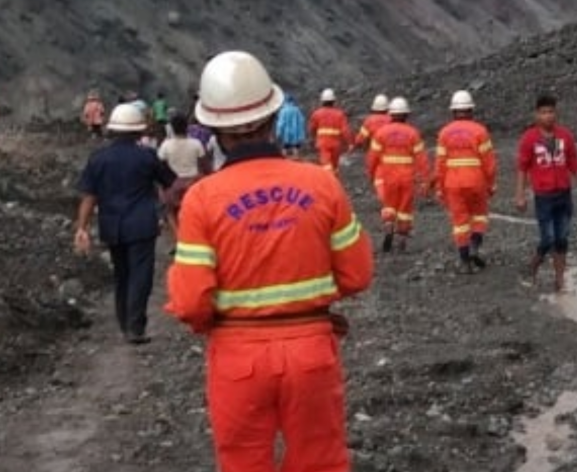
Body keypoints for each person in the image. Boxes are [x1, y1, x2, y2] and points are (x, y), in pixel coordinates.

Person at [166, 51, 374, 472]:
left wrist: (217, 320)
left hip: (237, 356)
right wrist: (309, 306)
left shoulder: (201, 200)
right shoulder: (321, 183)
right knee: (321, 462)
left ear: (214, 128)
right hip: (312, 352)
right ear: (273, 116)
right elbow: (357, 273)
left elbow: (191, 303)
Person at [73, 103, 177, 344]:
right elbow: (169, 182)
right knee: (141, 275)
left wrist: (82, 228)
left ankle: (124, 323)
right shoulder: (147, 157)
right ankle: (135, 326)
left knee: (122, 275)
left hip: (112, 225)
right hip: (141, 224)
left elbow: (89, 196)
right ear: (139, 131)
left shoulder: (98, 159)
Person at [514, 94, 577, 292]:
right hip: (543, 196)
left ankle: (559, 279)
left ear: (556, 113)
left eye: (551, 111)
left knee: (562, 237)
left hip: (564, 194)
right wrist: (520, 194)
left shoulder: (565, 136)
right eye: (543, 112)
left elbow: (574, 163)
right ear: (536, 115)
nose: (548, 116)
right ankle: (535, 262)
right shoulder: (529, 138)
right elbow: (522, 168)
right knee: (547, 238)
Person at [432, 90, 497, 274]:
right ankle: (475, 246)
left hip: (452, 182)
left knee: (460, 222)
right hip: (476, 180)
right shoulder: (480, 131)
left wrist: (438, 187)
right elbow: (489, 162)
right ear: (470, 110)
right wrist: (491, 184)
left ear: (453, 111)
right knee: (479, 216)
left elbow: (440, 163)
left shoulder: (444, 133)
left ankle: (464, 260)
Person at [366, 97, 430, 254]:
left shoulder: (381, 133)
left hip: (388, 177)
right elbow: (422, 159)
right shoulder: (413, 133)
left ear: (391, 114)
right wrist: (425, 180)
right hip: (407, 177)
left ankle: (388, 228)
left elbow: (372, 158)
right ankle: (401, 239)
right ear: (406, 115)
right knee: (404, 209)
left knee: (389, 205)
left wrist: (372, 174)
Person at [156, 114, 208, 241]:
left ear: (172, 128)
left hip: (173, 183)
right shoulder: (196, 143)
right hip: (193, 182)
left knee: (170, 212)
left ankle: (179, 238)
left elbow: (160, 165)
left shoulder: (166, 145)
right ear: (187, 127)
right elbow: (203, 164)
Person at [308, 89, 352, 173]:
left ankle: (329, 181)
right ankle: (334, 181)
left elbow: (312, 129)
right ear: (334, 101)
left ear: (322, 101)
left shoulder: (317, 114)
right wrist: (349, 143)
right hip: (336, 144)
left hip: (323, 143)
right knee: (334, 166)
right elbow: (345, 130)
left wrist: (313, 139)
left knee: (326, 166)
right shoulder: (339, 114)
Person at [276, 92, 307, 158]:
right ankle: (296, 162)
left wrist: (278, 133)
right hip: (295, 134)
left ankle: (283, 163)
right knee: (295, 148)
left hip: (286, 135)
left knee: (285, 147)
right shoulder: (296, 110)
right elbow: (301, 121)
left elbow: (280, 123)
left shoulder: (283, 111)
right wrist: (301, 134)